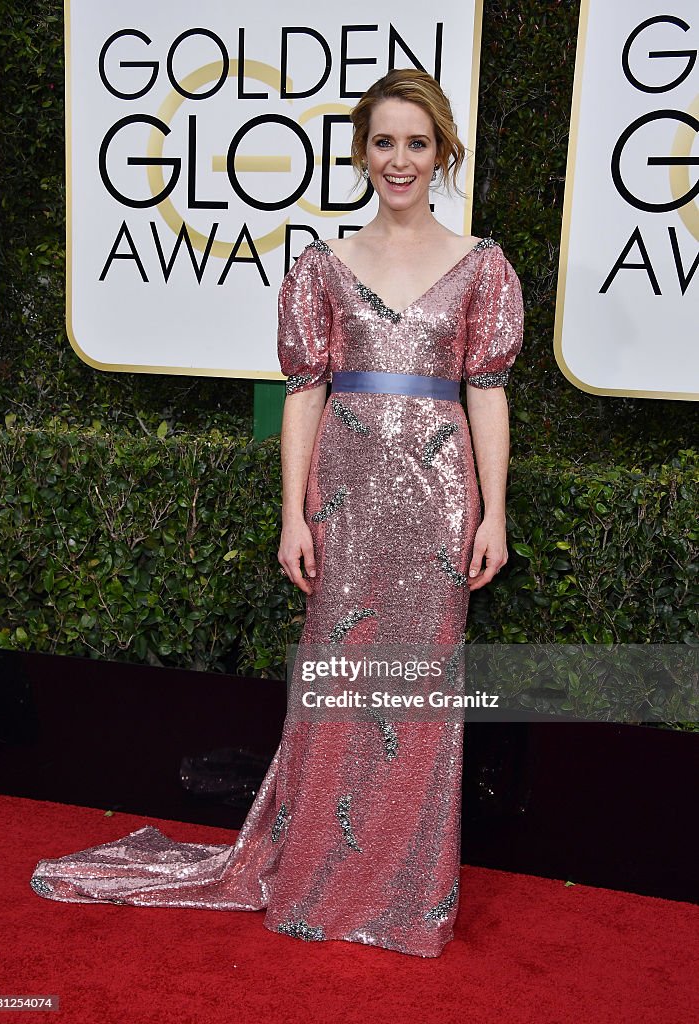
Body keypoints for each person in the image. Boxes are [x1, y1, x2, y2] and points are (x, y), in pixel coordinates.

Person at [30, 69, 523, 959]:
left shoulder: (482, 264)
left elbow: (485, 394)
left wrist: (493, 514)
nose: (399, 160)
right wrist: (293, 515)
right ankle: (318, 882)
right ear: (361, 152)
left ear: (442, 149)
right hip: (346, 494)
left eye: (417, 142)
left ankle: (405, 896)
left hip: (439, 501)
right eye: (383, 142)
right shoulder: (321, 265)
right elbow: (303, 395)